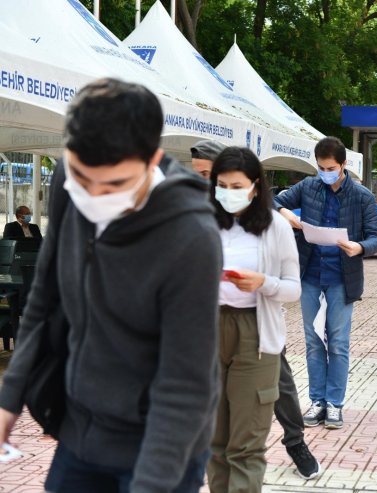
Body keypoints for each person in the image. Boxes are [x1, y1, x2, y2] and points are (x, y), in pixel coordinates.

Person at [0, 78, 222, 492]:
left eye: (116, 185)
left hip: (160, 441)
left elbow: (184, 383)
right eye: (84, 179)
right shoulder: (69, 178)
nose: (94, 196)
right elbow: (43, 295)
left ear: (151, 159)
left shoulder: (192, 237)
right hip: (81, 430)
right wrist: (9, 398)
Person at [188, 140, 320, 480]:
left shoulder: (274, 226)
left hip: (256, 333)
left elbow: (293, 288)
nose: (227, 193)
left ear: (255, 186)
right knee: (215, 442)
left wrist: (263, 282)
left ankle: (296, 445)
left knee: (245, 445)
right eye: (221, 186)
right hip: (208, 331)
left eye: (237, 187)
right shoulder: (202, 221)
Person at [273, 137, 377, 429]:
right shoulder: (308, 187)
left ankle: (335, 404)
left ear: (343, 165)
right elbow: (270, 200)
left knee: (337, 343)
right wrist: (286, 213)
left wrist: (359, 247)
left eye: (331, 167)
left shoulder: (361, 196)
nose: (325, 172)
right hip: (310, 274)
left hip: (341, 279)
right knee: (312, 342)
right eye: (321, 167)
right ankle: (317, 401)